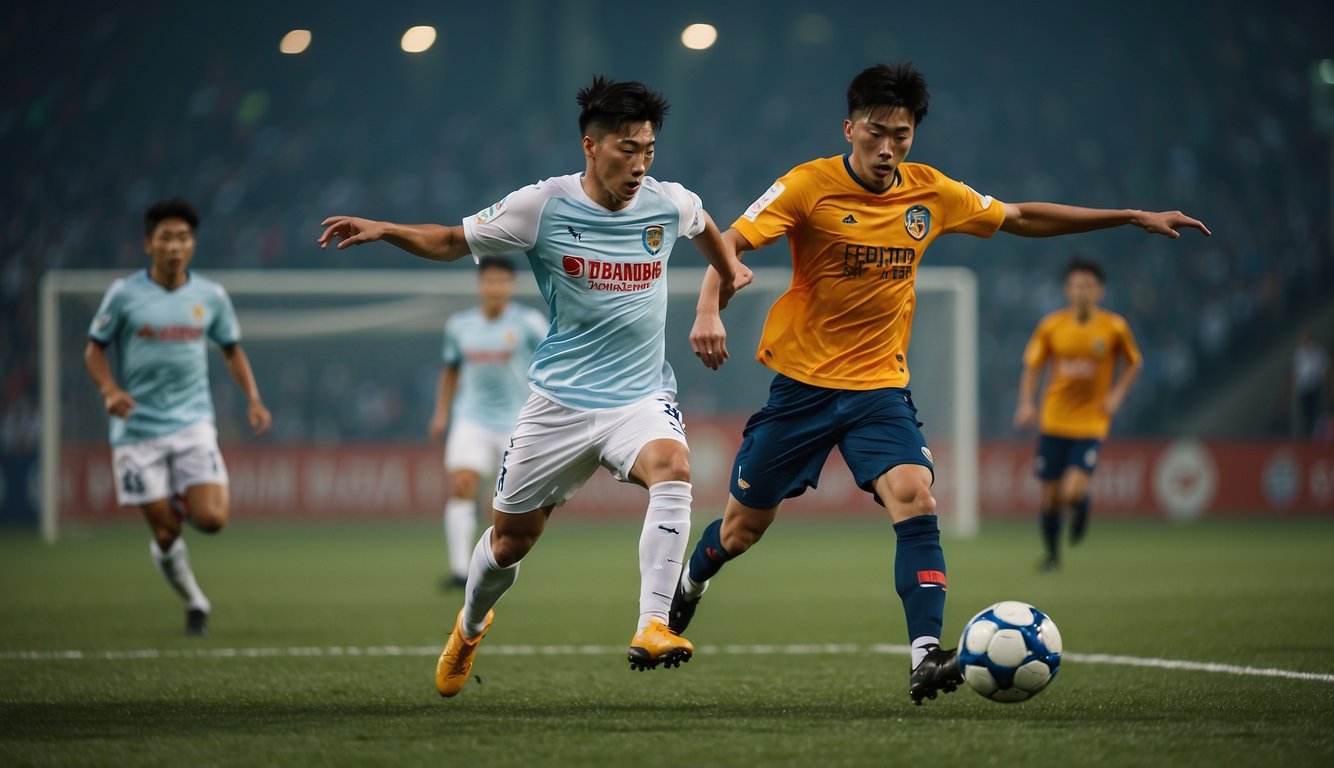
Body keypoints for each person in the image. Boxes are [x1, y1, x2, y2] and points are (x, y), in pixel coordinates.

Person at [675, 62, 1210, 705]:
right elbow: (728, 242)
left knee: (917, 498)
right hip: (802, 389)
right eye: (875, 132)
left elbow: (1019, 218)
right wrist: (709, 306)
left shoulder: (930, 193)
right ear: (849, 128)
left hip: (880, 391)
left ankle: (926, 656)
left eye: (900, 135)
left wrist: (1127, 216)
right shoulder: (807, 186)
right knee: (738, 534)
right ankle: (691, 582)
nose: (887, 147)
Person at [318, 75, 751, 697]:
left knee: (674, 469)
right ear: (590, 146)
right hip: (559, 404)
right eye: (626, 148)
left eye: (649, 149)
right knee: (509, 542)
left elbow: (707, 225)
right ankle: (468, 627)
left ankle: (653, 623)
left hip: (639, 397)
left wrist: (722, 280)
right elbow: (449, 240)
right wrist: (386, 229)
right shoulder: (541, 206)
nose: (639, 163)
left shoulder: (666, 202)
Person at [83, 197, 272, 637]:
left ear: (192, 245)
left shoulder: (211, 296)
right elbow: (94, 348)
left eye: (183, 237)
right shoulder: (124, 294)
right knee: (166, 534)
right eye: (166, 237)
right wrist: (109, 390)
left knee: (212, 520)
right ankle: (195, 601)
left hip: (192, 423)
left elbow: (231, 350)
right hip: (136, 431)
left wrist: (254, 400)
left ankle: (182, 497)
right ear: (148, 244)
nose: (175, 245)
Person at [1014, 258, 1142, 571]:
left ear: (1100, 291)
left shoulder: (1114, 327)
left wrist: (1115, 397)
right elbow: (1033, 366)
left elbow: (1134, 362)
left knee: (1071, 492)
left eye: (1088, 285)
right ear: (1067, 290)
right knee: (1050, 498)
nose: (1082, 291)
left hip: (1090, 422)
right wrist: (1027, 404)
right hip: (1054, 419)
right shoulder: (1051, 326)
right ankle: (1053, 557)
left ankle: (1081, 505)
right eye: (1076, 285)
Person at [430, 255, 547, 590]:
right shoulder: (459, 326)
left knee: (501, 503)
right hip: (472, 419)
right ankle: (458, 570)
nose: (495, 287)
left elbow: (550, 362)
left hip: (517, 421)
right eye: (489, 280)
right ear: (480, 285)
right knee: (463, 483)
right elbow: (451, 370)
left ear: (511, 285)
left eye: (502, 281)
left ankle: (492, 566)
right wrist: (441, 413)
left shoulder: (529, 324)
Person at [1292, 327, 1331, 439]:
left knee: (1317, 415)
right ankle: (1307, 437)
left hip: (1315, 386)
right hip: (1303, 388)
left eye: (1308, 336)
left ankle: (1318, 437)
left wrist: (1327, 388)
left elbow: (1325, 371)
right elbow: (1296, 372)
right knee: (1305, 415)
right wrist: (1295, 389)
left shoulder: (1319, 352)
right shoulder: (1299, 353)